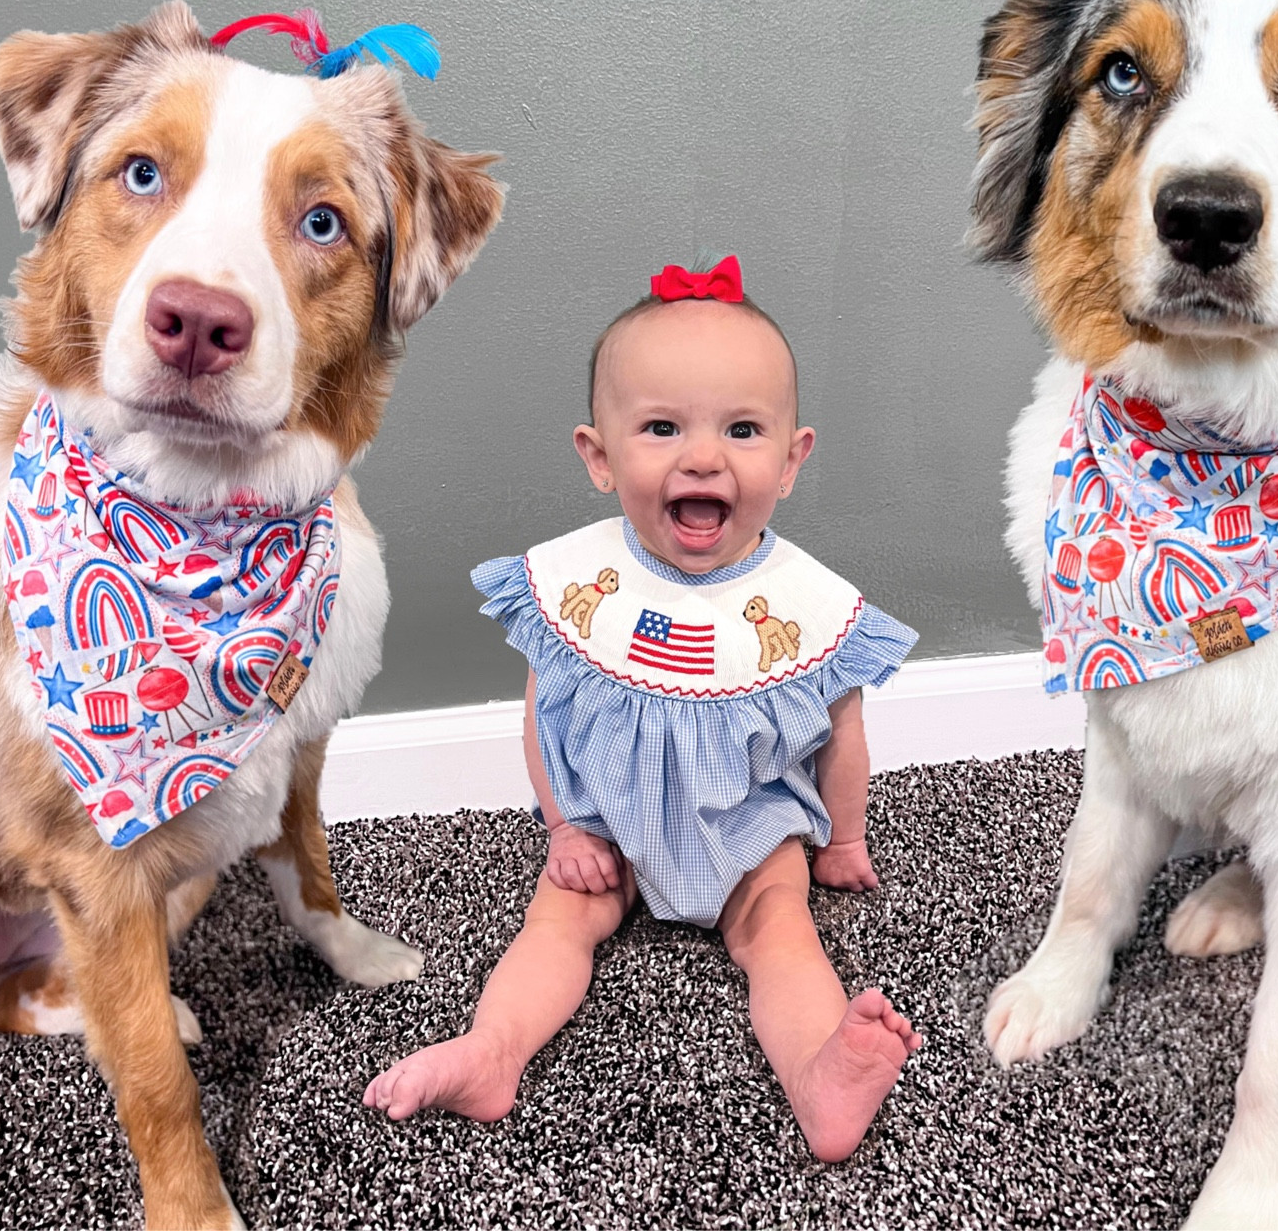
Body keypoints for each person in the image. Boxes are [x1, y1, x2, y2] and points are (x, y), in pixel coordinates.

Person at [363, 256, 922, 1162]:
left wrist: (845, 842)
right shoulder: (581, 583)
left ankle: (822, 1079)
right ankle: (492, 1050)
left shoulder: (806, 603)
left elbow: (843, 737)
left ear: (790, 460)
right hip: (610, 830)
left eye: (743, 430)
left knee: (781, 938)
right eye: (661, 428)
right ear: (599, 455)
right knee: (556, 923)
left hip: (752, 836)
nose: (703, 456)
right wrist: (564, 828)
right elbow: (545, 718)